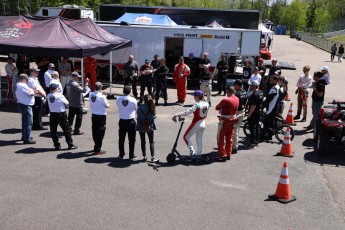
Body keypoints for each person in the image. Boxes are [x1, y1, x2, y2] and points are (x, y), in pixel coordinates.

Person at [172, 90, 209, 158]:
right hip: (203, 123)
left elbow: (187, 112)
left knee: (186, 137)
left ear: (198, 97)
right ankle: (198, 155)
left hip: (196, 123)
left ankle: (192, 151)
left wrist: (176, 114)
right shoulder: (207, 104)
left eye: (195, 96)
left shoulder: (197, 105)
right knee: (199, 139)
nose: (194, 97)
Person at [47, 83, 77, 150]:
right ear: (55, 89)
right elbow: (67, 103)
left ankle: (56, 145)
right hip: (61, 113)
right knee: (66, 130)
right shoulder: (60, 96)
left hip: (52, 114)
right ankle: (70, 144)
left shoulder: (48, 95)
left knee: (53, 130)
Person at [215, 86, 239, 161]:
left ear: (228, 92)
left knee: (221, 138)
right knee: (229, 138)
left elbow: (217, 107)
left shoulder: (226, 100)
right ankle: (228, 154)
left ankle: (222, 155)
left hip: (225, 121)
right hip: (232, 120)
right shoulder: (237, 99)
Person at [116, 85, 138, 160]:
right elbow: (136, 109)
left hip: (122, 120)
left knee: (121, 138)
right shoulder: (133, 99)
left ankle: (121, 154)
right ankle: (131, 155)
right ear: (130, 91)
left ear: (123, 91)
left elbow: (118, 106)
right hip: (130, 120)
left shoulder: (118, 99)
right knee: (131, 139)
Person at [136, 94, 160, 163]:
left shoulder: (139, 108)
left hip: (141, 126)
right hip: (150, 126)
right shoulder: (152, 107)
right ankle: (152, 157)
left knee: (143, 141)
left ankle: (144, 156)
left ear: (144, 100)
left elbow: (138, 118)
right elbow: (153, 118)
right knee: (151, 141)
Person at [89, 82, 110, 155]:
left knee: (94, 131)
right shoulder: (102, 96)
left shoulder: (91, 94)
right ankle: (97, 149)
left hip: (94, 115)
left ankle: (96, 145)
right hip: (101, 116)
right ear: (100, 88)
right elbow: (107, 105)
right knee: (101, 132)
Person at [15, 74, 36, 144]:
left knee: (24, 121)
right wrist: (33, 91)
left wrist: (31, 90)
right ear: (23, 79)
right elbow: (31, 93)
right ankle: (27, 138)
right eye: (27, 80)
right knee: (28, 122)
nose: (27, 81)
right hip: (26, 105)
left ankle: (24, 135)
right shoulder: (22, 85)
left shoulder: (18, 85)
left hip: (21, 104)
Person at [261, 75, 280, 141]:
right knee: (271, 123)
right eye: (270, 80)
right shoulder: (277, 87)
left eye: (271, 80)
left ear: (275, 81)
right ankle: (269, 136)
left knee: (266, 122)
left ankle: (262, 137)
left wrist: (262, 105)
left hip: (271, 108)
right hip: (275, 107)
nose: (270, 81)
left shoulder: (274, 89)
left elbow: (269, 99)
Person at [246, 80, 263, 148]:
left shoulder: (254, 94)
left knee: (252, 127)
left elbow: (253, 106)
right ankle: (257, 139)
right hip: (258, 111)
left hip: (254, 112)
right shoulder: (260, 92)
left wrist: (249, 114)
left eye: (251, 85)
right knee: (256, 126)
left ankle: (252, 141)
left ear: (254, 86)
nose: (250, 86)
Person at [232, 80, 247, 153]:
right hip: (242, 111)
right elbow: (246, 102)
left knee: (235, 131)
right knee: (237, 129)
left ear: (238, 85)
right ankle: (233, 146)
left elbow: (234, 105)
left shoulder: (236, 94)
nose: (234, 86)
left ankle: (234, 147)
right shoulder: (244, 92)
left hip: (237, 113)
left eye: (235, 85)